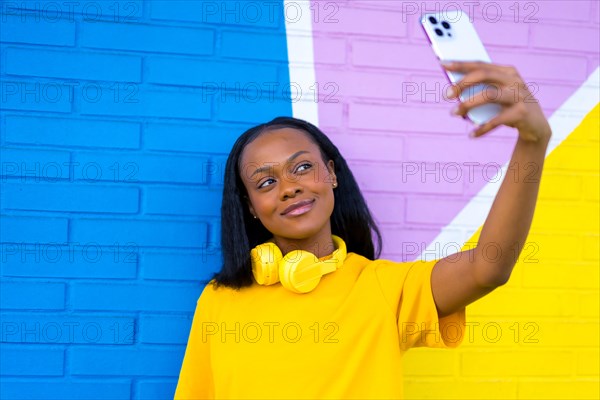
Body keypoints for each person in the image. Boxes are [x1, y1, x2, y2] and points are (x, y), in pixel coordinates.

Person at [173, 61, 552, 399]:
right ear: (251, 208)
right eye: (266, 182)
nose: (289, 186)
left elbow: (489, 268)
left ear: (332, 174)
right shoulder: (219, 300)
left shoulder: (383, 288)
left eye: (302, 167)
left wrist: (533, 143)